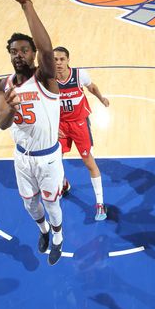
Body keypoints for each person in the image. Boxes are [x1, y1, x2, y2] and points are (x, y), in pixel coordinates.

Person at [0, 0, 65, 265]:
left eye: (24, 50)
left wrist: (26, 4)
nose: (18, 54)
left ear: (33, 55)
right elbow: (1, 123)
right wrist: (9, 109)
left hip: (48, 157)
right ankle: (44, 230)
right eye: (13, 50)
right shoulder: (1, 85)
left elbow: (47, 49)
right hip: (22, 158)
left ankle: (58, 237)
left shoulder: (46, 78)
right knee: (30, 204)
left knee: (51, 202)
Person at [53, 46, 109, 221]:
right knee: (55, 161)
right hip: (60, 125)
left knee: (89, 162)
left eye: (62, 59)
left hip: (79, 123)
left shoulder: (79, 75)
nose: (59, 63)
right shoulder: (48, 80)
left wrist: (101, 98)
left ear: (68, 60)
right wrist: (52, 127)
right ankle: (63, 184)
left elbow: (91, 87)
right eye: (55, 59)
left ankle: (100, 203)